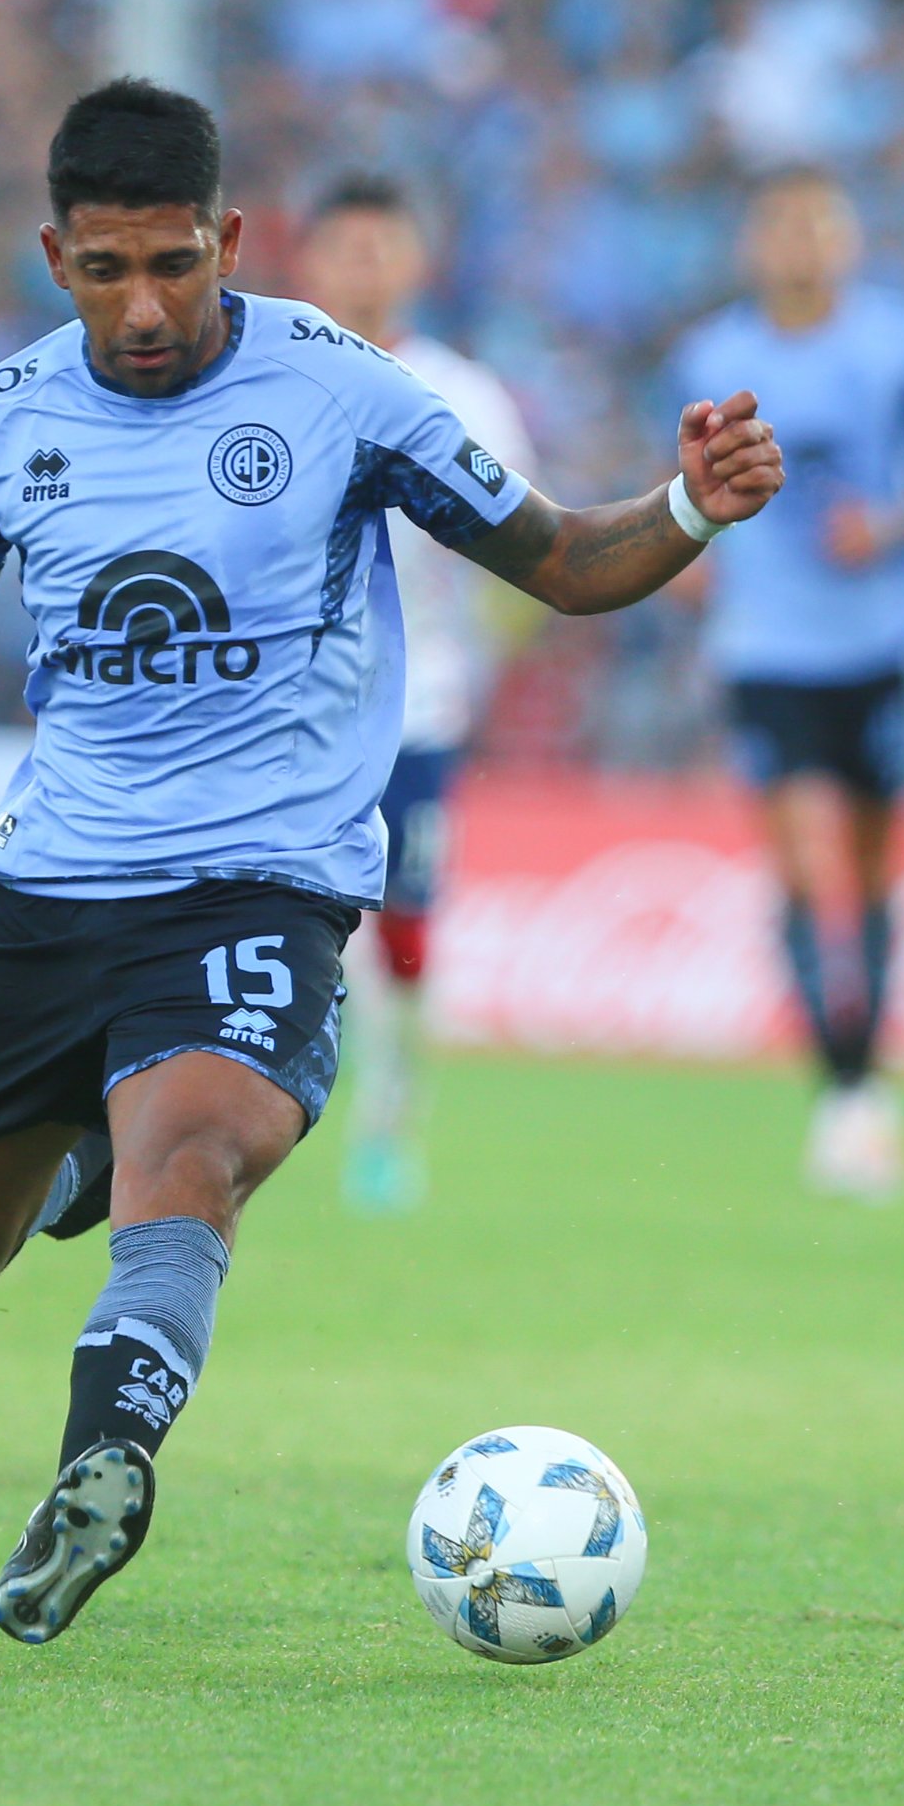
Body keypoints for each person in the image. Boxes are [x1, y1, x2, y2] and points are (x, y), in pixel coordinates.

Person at [0, 80, 781, 1645]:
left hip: (265, 878)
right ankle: (85, 1157)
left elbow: (563, 557)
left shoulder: (343, 393)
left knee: (201, 1150)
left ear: (229, 238)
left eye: (176, 263)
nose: (146, 305)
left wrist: (690, 505)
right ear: (54, 256)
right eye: (108, 270)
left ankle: (103, 1465)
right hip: (49, 887)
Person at [660, 169, 904, 1200]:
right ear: (751, 244)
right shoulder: (716, 357)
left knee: (864, 867)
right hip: (765, 647)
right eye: (780, 226)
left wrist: (894, 525)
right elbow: (675, 486)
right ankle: (845, 1085)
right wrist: (681, 561)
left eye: (821, 224)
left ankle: (859, 1078)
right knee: (806, 856)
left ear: (852, 239)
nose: (802, 244)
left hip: (882, 643)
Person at [288, 174, 539, 1215]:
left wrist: (483, 668)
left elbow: (530, 550)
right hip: (285, 709)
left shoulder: (465, 397)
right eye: (344, 246)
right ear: (308, 261)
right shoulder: (267, 382)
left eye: (383, 245)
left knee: (402, 923)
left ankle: (390, 1117)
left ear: (416, 263)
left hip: (418, 706)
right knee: (286, 915)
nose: (364, 265)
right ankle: (266, 1099)